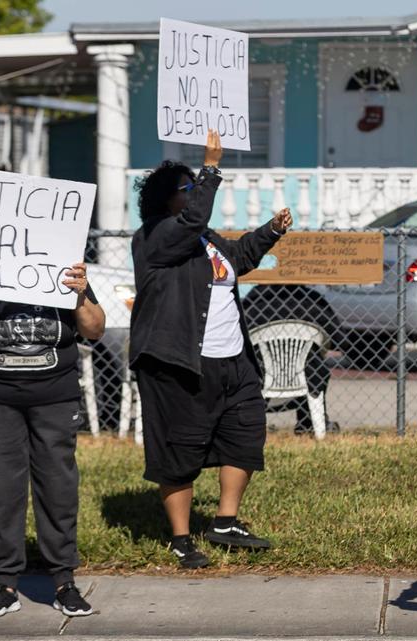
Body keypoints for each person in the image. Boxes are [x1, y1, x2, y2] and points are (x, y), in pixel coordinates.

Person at [130, 130, 292, 569]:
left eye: (194, 188)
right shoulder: (154, 238)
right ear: (168, 199)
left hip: (233, 359)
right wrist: (211, 168)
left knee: (245, 431)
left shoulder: (205, 240)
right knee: (179, 448)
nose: (194, 194)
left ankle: (225, 522)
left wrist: (271, 231)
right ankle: (182, 539)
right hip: (178, 360)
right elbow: (191, 220)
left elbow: (239, 257)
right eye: (187, 189)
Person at [0, 264, 106, 618]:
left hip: (55, 398)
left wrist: (80, 293)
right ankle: (5, 584)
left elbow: (95, 329)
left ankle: (64, 582)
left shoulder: (61, 269)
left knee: (58, 487)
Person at [242, 285, 340, 435]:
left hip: (260, 379)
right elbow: (339, 338)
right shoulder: (313, 300)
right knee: (313, 363)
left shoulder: (254, 300)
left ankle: (251, 425)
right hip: (307, 380)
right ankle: (308, 424)